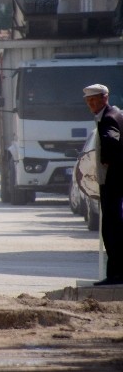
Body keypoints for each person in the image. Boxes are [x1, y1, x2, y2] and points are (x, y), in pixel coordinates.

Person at [83, 83, 123, 286]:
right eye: (88, 101)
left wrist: (107, 158)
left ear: (104, 98)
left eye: (94, 100)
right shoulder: (117, 114)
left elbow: (112, 142)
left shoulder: (108, 118)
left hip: (113, 181)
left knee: (112, 228)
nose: (91, 104)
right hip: (115, 180)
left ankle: (116, 274)